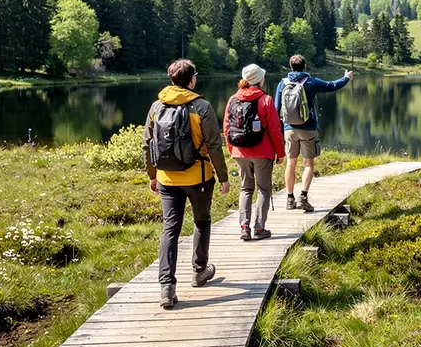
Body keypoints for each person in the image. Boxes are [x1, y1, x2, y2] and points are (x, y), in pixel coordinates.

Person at [142, 59, 230, 309]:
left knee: (170, 228)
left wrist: (152, 174)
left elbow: (147, 143)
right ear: (192, 80)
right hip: (199, 177)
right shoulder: (202, 106)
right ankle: (199, 272)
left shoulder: (156, 106)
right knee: (202, 221)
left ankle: (166, 287)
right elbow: (214, 144)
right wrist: (223, 178)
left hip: (166, 178)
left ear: (172, 79)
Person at [275, 54, 352, 212]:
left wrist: (280, 130)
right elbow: (332, 86)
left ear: (290, 67)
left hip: (289, 129)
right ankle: (303, 197)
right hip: (308, 128)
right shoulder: (310, 82)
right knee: (308, 163)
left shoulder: (282, 84)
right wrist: (346, 78)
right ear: (304, 66)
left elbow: (277, 109)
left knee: (291, 162)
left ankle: (290, 199)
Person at [224, 64, 284, 241]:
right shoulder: (266, 100)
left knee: (245, 189)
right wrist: (280, 153)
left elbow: (227, 127)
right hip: (263, 152)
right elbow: (275, 129)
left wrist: (232, 150)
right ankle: (259, 228)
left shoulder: (233, 99)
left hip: (239, 152)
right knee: (264, 189)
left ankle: (244, 227)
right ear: (260, 80)